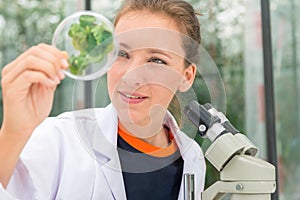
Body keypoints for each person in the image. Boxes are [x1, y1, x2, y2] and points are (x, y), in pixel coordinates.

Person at [0, 0, 206, 199]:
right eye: (122, 53)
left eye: (156, 60)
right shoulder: (59, 139)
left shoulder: (192, 157)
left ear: (186, 76)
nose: (131, 76)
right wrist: (13, 133)